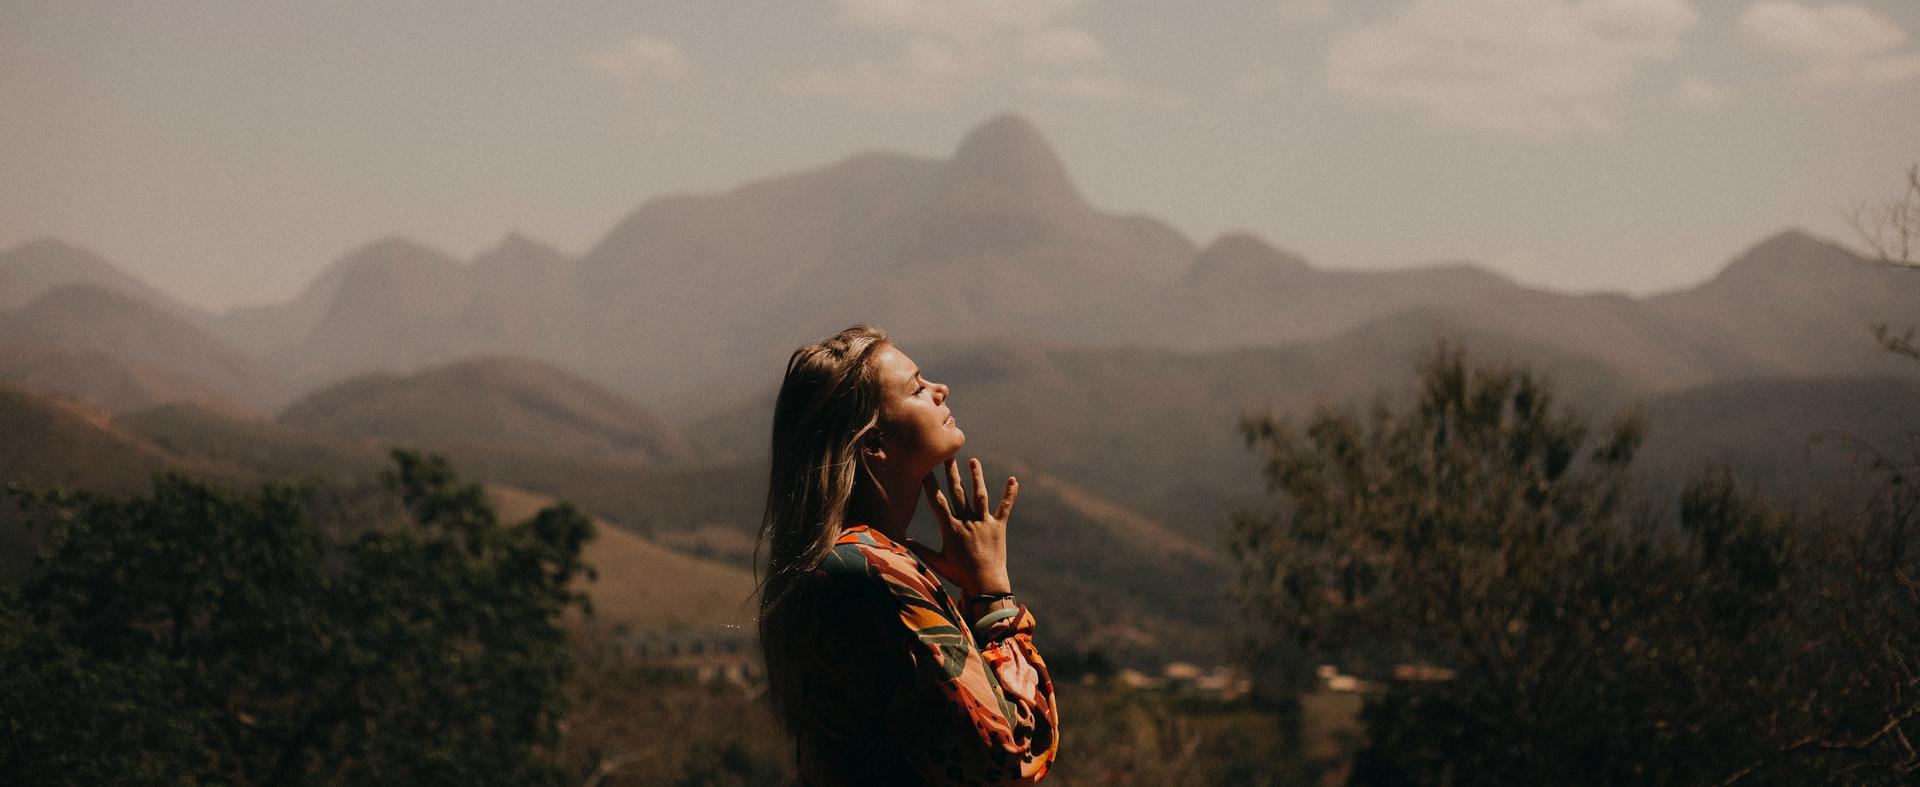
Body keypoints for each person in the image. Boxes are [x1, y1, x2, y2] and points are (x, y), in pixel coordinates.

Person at [757, 324, 1060, 786]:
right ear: (874, 445)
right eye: (917, 388)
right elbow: (1009, 761)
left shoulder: (847, 563)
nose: (941, 390)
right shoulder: (872, 573)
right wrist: (993, 595)